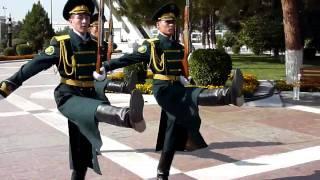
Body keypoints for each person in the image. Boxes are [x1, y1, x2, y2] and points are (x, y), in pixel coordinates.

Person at [0, 0, 145, 179]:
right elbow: (33, 66)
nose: (84, 21)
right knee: (89, 113)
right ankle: (126, 116)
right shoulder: (61, 44)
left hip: (89, 94)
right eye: (79, 17)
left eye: (86, 17)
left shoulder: (94, 44)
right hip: (68, 95)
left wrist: (103, 70)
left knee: (82, 153)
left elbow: (106, 64)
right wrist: (7, 86)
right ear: (70, 20)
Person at [102, 2, 244, 180]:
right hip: (162, 90)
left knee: (174, 125)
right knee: (189, 100)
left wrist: (184, 78)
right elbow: (128, 59)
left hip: (177, 87)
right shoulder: (151, 46)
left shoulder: (178, 47)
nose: (171, 25)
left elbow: (178, 70)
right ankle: (228, 95)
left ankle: (162, 172)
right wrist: (106, 66)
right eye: (167, 22)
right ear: (158, 25)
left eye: (172, 22)